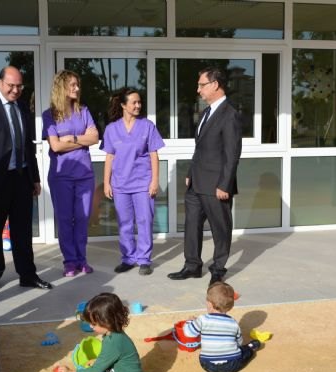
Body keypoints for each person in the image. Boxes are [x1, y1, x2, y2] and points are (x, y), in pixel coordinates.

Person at [0, 66, 53, 291]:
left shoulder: (21, 107)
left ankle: (27, 274)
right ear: (0, 83)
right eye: (11, 85)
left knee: (22, 230)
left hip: (22, 177)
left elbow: (27, 145)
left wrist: (35, 178)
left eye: (19, 86)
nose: (15, 90)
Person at [168, 66, 242, 285]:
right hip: (196, 183)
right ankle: (192, 266)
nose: (198, 89)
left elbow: (232, 154)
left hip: (216, 185)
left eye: (202, 85)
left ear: (215, 85)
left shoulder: (230, 115)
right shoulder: (205, 112)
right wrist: (191, 173)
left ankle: (218, 269)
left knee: (221, 228)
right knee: (191, 225)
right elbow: (200, 148)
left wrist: (224, 185)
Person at [42, 70, 99, 277]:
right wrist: (80, 138)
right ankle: (70, 262)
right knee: (65, 220)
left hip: (84, 175)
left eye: (77, 84)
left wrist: (70, 138)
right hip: (61, 177)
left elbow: (94, 138)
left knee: (82, 219)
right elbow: (55, 146)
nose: (77, 88)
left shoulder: (84, 111)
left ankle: (82, 260)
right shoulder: (49, 115)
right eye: (72, 85)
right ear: (62, 87)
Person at [102, 88, 165, 275]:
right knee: (124, 223)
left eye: (139, 102)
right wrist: (106, 182)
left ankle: (144, 259)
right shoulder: (111, 129)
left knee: (145, 220)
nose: (138, 105)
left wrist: (154, 181)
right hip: (120, 184)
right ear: (123, 105)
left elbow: (154, 155)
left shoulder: (147, 126)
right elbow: (109, 157)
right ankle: (128, 258)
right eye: (134, 102)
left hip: (142, 183)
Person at [56, 293, 155, 372]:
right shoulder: (110, 334)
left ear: (107, 322)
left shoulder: (115, 341)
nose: (91, 327)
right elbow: (110, 357)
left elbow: (96, 370)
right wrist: (97, 360)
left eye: (93, 324)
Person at [183, 281, 261, 372]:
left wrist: (190, 321)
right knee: (245, 351)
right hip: (232, 364)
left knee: (203, 355)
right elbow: (239, 343)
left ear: (210, 305)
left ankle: (247, 349)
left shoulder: (202, 320)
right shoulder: (233, 323)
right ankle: (250, 347)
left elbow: (188, 332)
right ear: (230, 307)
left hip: (207, 364)